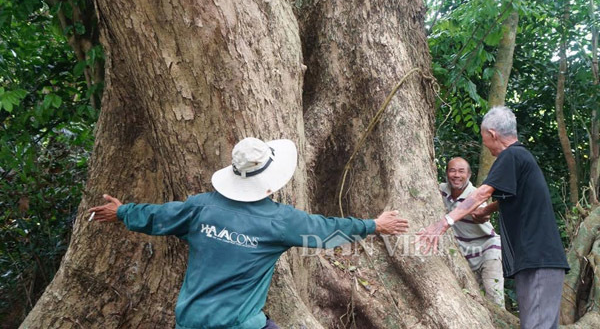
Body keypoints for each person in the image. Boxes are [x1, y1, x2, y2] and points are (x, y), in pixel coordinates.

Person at [90, 137, 409, 329]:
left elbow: (159, 215)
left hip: (190, 321)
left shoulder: (200, 208)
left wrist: (121, 211)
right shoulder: (278, 220)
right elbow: (325, 229)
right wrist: (374, 225)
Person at [418, 106, 569, 329]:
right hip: (534, 261)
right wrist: (487, 211)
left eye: (483, 138)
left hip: (540, 260)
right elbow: (518, 194)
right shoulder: (521, 158)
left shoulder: (511, 155)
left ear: (492, 134)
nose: (484, 143)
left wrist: (444, 222)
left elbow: (482, 193)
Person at [440, 157, 504, 307]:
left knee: (494, 300)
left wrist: (483, 215)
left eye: (461, 171)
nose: (456, 175)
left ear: (469, 175)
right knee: (470, 303)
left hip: (487, 249)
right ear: (447, 173)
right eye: (452, 170)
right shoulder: (440, 190)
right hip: (463, 255)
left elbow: (483, 214)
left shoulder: (475, 195)